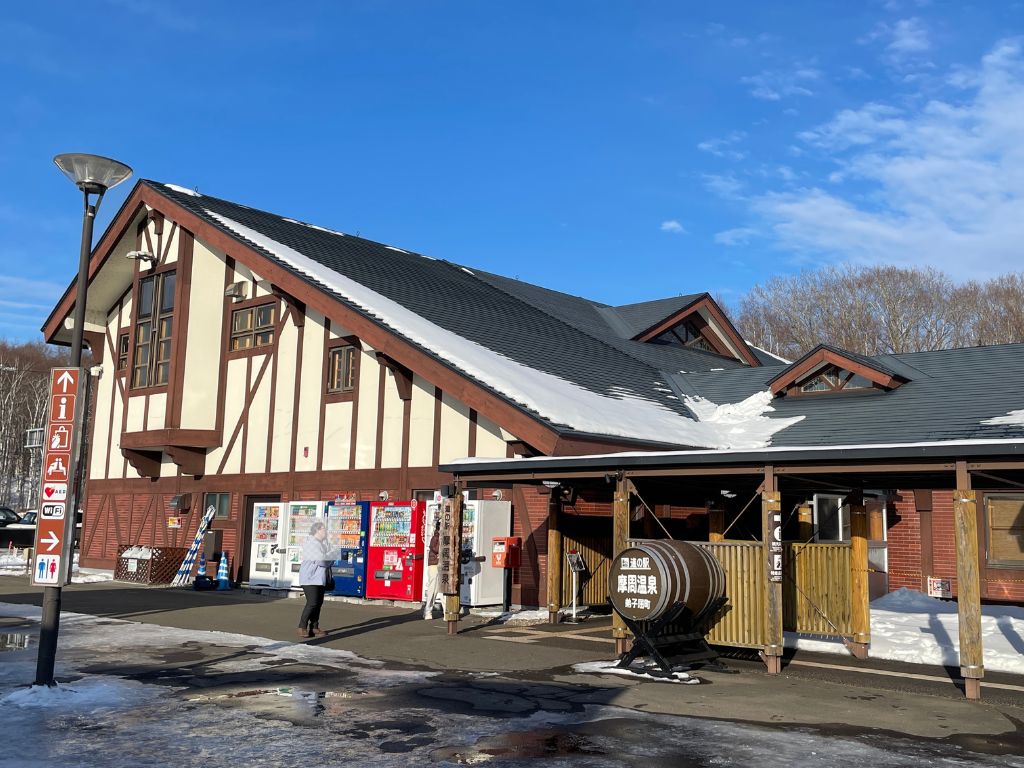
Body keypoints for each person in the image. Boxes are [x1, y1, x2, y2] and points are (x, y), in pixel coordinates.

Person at [297, 521, 333, 639]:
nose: (325, 532)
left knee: (318, 603)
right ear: (317, 530)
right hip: (309, 578)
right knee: (312, 603)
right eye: (323, 529)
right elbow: (321, 561)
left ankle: (315, 627)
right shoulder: (312, 544)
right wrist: (331, 559)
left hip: (319, 578)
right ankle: (302, 627)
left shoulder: (322, 543)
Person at [422, 516, 441, 619]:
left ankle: (431, 610)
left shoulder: (441, 536)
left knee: (438, 589)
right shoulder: (436, 537)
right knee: (433, 588)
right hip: (434, 564)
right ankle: (428, 610)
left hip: (441, 564)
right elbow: (434, 548)